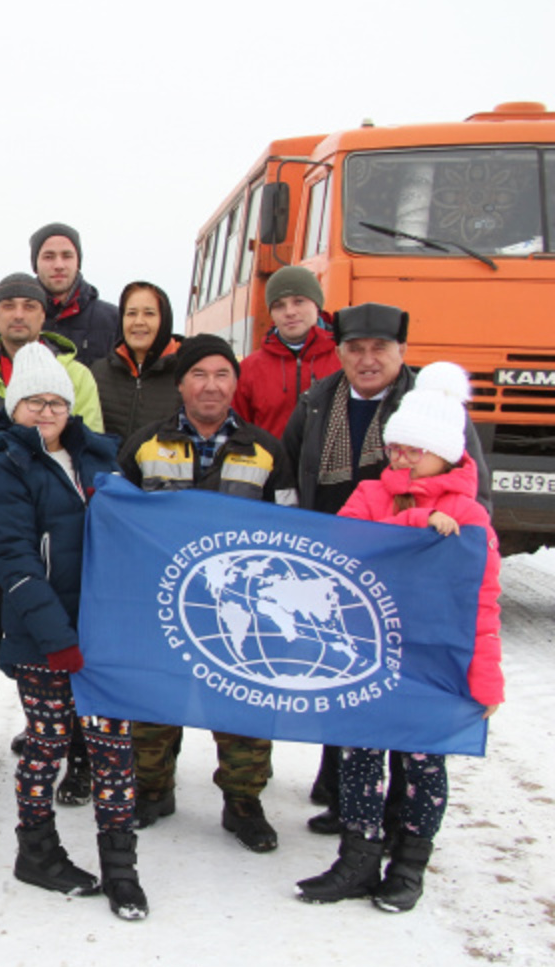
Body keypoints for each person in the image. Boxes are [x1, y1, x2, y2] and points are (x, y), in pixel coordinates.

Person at [296, 362, 503, 912]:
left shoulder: (470, 516)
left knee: (421, 765)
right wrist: (412, 528)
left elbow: (481, 606)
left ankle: (409, 865)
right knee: (360, 758)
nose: (402, 456)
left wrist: (485, 682)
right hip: (368, 657)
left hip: (432, 666)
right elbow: (340, 548)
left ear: (447, 452)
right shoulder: (369, 495)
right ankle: (357, 859)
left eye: (416, 447)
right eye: (397, 445)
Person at [282, 303, 492, 831]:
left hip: (414, 572)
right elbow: (289, 469)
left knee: (400, 695)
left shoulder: (431, 409)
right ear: (340, 352)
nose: (367, 359)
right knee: (343, 680)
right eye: (356, 348)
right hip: (338, 557)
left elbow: (475, 495)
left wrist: (452, 534)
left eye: (381, 348)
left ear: (402, 353)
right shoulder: (316, 400)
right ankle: (344, 793)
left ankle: (397, 805)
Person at [0, 342, 144, 919]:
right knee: (46, 745)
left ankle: (120, 867)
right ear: (13, 407)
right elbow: (13, 562)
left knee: (113, 751)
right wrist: (57, 639)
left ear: (71, 408)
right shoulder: (4, 468)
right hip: (44, 641)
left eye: (55, 402)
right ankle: (37, 849)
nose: (45, 413)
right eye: (32, 402)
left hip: (107, 638)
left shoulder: (100, 458)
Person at [118, 334, 295, 853]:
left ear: (236, 384)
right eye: (199, 374)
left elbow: (291, 529)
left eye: (221, 374)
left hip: (243, 609)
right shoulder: (145, 445)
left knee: (244, 706)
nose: (210, 385)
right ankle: (151, 790)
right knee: (154, 702)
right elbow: (119, 524)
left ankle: (243, 801)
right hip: (164, 604)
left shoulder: (266, 450)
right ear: (180, 384)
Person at [0, 273, 102, 793]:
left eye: (28, 305)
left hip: (61, 533)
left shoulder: (74, 375)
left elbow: (86, 444)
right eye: (7, 305)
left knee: (63, 637)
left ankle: (68, 744)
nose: (18, 314)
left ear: (42, 314)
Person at [233, 266, 339, 437]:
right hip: (271, 463)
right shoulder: (249, 369)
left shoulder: (345, 358)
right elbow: (237, 431)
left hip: (332, 464)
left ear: (317, 304)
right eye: (279, 305)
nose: (289, 312)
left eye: (299, 301)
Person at [89, 281, 184, 444]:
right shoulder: (98, 373)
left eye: (149, 313)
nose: (139, 322)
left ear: (164, 318)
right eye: (131, 313)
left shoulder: (185, 373)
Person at [29, 222, 119, 366]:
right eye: (49, 256)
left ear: (78, 262)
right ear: (35, 264)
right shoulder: (11, 322)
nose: (59, 265)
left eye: (67, 256)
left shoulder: (113, 320)